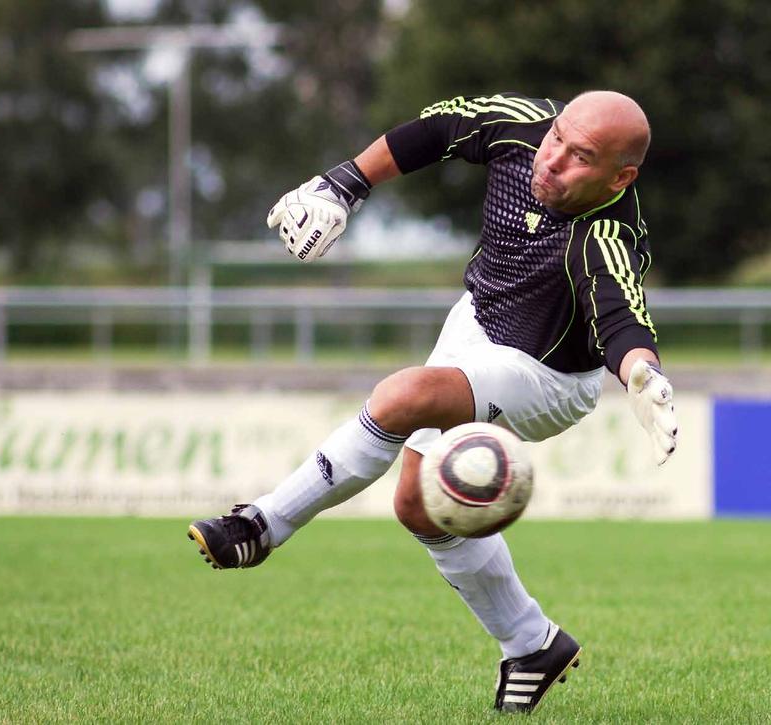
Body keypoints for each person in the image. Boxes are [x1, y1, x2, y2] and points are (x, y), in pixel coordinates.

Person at [187, 90, 678, 714]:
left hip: (546, 376)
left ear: (620, 176)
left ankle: (261, 525)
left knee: (404, 394)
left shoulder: (606, 231)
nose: (553, 159)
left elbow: (622, 320)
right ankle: (532, 643)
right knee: (419, 509)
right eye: (557, 138)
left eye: (579, 156)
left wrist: (641, 378)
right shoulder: (519, 125)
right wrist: (346, 182)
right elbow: (436, 128)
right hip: (475, 321)